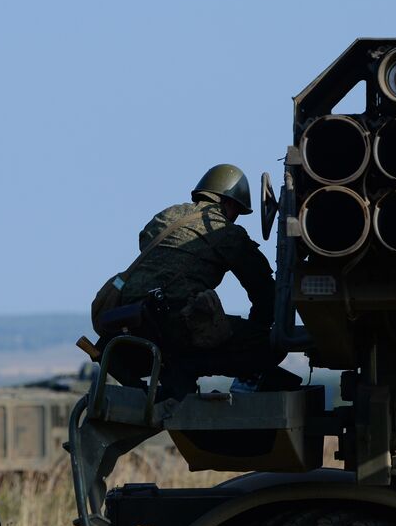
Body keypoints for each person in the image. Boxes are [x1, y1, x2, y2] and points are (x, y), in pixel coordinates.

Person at [95, 164, 295, 398]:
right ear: (228, 203)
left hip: (131, 316)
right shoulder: (224, 232)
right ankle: (183, 371)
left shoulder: (167, 215)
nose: (235, 217)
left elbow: (146, 242)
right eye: (237, 211)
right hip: (174, 322)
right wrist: (259, 327)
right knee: (270, 345)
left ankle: (175, 371)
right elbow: (263, 293)